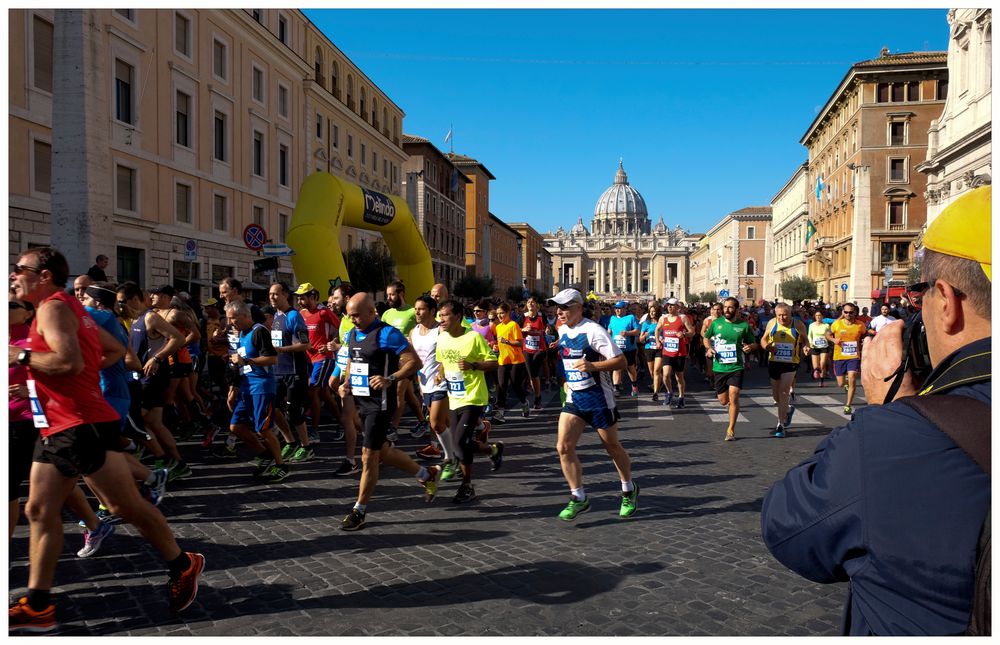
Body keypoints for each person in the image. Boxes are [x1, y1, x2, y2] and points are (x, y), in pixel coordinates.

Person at [761, 185, 991, 636]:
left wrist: (895, 411)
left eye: (918, 293)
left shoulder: (896, 439)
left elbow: (790, 529)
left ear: (945, 301)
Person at [8, 248, 204, 633]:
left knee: (121, 504)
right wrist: (44, 379)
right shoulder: (66, 307)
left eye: (20, 269)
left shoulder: (53, 308)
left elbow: (70, 362)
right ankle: (39, 604)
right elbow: (113, 351)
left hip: (79, 423)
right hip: (63, 423)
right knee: (39, 510)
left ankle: (183, 563)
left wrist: (22, 357)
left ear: (44, 275)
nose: (14, 275)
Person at [338, 293, 439, 531]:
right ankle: (426, 473)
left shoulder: (387, 333)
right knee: (381, 450)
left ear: (372, 312)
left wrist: (390, 378)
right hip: (362, 401)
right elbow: (353, 361)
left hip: (381, 404)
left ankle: (359, 510)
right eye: (350, 316)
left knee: (368, 456)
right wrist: (346, 382)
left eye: (356, 316)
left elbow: (414, 362)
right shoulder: (352, 333)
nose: (352, 320)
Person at [548, 289, 638, 521]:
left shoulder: (594, 331)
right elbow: (569, 359)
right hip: (575, 398)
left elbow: (621, 361)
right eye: (557, 307)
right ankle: (578, 497)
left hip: (599, 398)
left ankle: (628, 489)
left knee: (612, 447)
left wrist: (593, 368)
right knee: (563, 447)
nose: (559, 312)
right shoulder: (562, 329)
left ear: (578, 307)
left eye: (564, 307)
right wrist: (568, 381)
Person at [435, 299, 504, 502]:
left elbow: (493, 362)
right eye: (440, 316)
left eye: (445, 315)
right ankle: (492, 449)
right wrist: (439, 374)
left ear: (457, 316)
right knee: (461, 444)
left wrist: (473, 365)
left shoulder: (473, 337)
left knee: (458, 443)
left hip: (473, 396)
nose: (442, 320)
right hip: (454, 397)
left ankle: (466, 486)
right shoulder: (442, 338)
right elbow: (442, 362)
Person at [225, 301, 288, 482]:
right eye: (228, 318)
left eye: (233, 318)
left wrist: (248, 360)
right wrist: (234, 387)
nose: (230, 322)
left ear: (245, 316)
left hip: (262, 387)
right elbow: (239, 363)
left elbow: (272, 359)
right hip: (245, 387)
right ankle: (264, 454)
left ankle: (281, 465)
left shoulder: (259, 331)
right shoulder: (242, 333)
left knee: (264, 429)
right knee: (235, 426)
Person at [268, 282, 314, 463]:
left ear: (286, 295)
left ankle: (306, 446)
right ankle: (290, 442)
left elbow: (306, 344)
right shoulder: (276, 316)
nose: (272, 297)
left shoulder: (294, 316)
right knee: (275, 408)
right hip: (278, 371)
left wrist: (282, 350)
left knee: (294, 411)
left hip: (295, 370)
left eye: (276, 294)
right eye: (270, 294)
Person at [703, 297, 759, 441]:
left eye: (730, 307)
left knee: (734, 395)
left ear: (737, 309)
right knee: (723, 401)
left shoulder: (744, 325)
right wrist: (709, 348)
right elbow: (706, 338)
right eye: (725, 307)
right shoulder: (716, 323)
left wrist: (749, 347)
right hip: (719, 366)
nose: (726, 310)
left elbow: (754, 343)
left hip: (736, 366)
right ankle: (729, 406)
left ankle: (731, 429)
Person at [382, 280, 429, 440]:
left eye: (392, 294)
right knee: (409, 395)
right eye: (387, 294)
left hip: (408, 360)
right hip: (390, 360)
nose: (388, 297)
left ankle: (393, 428)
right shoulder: (387, 314)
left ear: (401, 294)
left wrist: (412, 340)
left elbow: (423, 329)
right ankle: (423, 421)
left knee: (398, 392)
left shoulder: (412, 312)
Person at [296, 282, 341, 444]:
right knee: (323, 393)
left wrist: (330, 343)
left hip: (324, 358)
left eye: (303, 298)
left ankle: (314, 430)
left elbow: (343, 329)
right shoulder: (301, 314)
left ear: (313, 297)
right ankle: (342, 423)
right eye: (298, 298)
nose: (300, 301)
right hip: (307, 359)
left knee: (313, 391)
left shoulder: (324, 313)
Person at [761, 303, 810, 438]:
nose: (782, 318)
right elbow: (763, 339)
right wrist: (768, 347)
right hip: (774, 362)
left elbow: (806, 340)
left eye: (785, 315)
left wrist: (806, 348)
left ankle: (780, 424)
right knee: (776, 396)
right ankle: (787, 410)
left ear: (790, 314)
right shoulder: (772, 323)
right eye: (779, 315)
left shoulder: (798, 324)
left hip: (790, 363)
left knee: (783, 392)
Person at [826, 302, 867, 415]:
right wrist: (833, 340)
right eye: (846, 312)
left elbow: (865, 333)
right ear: (842, 312)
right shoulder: (837, 324)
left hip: (853, 356)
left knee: (852, 376)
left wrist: (867, 338)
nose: (848, 314)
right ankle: (845, 383)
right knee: (840, 383)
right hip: (839, 357)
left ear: (855, 313)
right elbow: (827, 334)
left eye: (851, 312)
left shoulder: (860, 325)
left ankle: (848, 405)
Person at [493, 301, 530, 422]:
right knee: (501, 385)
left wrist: (507, 342)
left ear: (508, 312)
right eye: (498, 314)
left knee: (516, 386)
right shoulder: (498, 327)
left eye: (502, 313)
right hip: (503, 360)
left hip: (516, 361)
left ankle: (524, 403)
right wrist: (496, 347)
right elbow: (499, 343)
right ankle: (500, 413)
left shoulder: (513, 325)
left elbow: (520, 343)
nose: (499, 316)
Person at [655, 297, 695, 408]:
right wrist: (658, 341)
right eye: (668, 305)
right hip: (667, 351)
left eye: (672, 305)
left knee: (679, 377)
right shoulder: (663, 318)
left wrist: (684, 334)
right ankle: (669, 392)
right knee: (666, 375)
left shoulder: (682, 318)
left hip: (680, 353)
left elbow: (692, 332)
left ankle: (681, 397)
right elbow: (657, 329)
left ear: (678, 307)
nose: (669, 307)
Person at [606, 300, 641, 397]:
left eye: (620, 308)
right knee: (617, 368)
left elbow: (637, 330)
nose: (618, 310)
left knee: (630, 368)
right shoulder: (612, 318)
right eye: (616, 308)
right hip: (616, 349)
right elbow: (609, 331)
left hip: (629, 348)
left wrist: (628, 333)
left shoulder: (631, 318)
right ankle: (616, 388)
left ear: (625, 309)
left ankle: (634, 385)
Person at [521, 297, 548, 411]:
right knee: (532, 375)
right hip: (527, 349)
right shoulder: (523, 317)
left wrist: (546, 330)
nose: (530, 303)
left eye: (533, 302)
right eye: (528, 302)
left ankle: (538, 398)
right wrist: (524, 329)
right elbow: (516, 329)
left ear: (537, 305)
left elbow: (548, 327)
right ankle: (538, 397)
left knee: (534, 372)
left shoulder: (542, 317)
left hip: (540, 349)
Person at [639, 302, 662, 401]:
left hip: (659, 349)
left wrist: (662, 339)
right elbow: (640, 339)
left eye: (654, 311)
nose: (652, 313)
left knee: (657, 370)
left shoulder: (661, 322)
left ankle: (655, 392)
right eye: (651, 312)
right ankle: (658, 382)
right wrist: (646, 335)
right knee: (652, 372)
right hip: (648, 348)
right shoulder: (646, 323)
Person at [807, 310, 832, 383]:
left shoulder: (826, 325)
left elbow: (829, 334)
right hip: (815, 346)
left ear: (822, 316)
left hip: (824, 346)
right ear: (815, 317)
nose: (818, 317)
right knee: (816, 366)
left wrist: (830, 338)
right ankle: (816, 371)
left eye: (819, 315)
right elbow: (809, 335)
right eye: (816, 315)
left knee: (822, 364)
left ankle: (822, 381)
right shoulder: (811, 325)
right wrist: (811, 343)